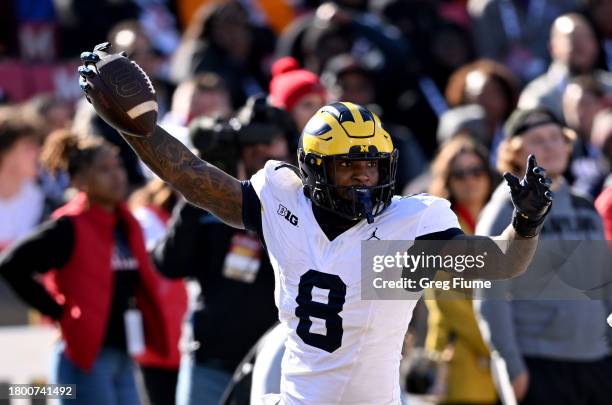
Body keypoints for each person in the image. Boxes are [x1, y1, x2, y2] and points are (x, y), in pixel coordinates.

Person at [78, 45, 554, 405]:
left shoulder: (409, 227)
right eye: (349, 166)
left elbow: (504, 262)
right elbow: (190, 176)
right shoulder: (285, 204)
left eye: (372, 165)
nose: (364, 176)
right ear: (315, 169)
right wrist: (135, 128)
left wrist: (527, 221)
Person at [0, 130, 171, 405]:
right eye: (104, 169)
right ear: (79, 181)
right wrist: (61, 313)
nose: (117, 176)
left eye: (117, 167)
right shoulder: (70, 226)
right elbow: (11, 265)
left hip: (123, 354)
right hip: (85, 356)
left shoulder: (125, 223)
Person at [153, 98, 286, 405]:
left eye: (271, 143)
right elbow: (169, 263)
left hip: (274, 364)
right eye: (252, 146)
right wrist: (201, 188)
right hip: (209, 362)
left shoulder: (299, 202)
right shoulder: (211, 202)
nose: (261, 153)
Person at [475, 107, 612, 405]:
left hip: (596, 363)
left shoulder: (585, 204)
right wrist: (512, 369)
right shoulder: (507, 207)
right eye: (538, 140)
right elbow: (488, 293)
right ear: (515, 151)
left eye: (556, 137)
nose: (550, 146)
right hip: (539, 363)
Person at [424, 136, 498, 405]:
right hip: (460, 359)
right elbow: (447, 302)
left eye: (477, 170)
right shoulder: (439, 231)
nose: (471, 179)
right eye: (460, 173)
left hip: (500, 366)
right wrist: (498, 347)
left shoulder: (501, 225)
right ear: (447, 181)